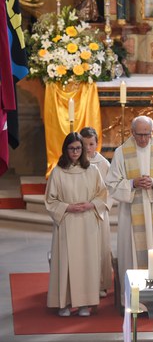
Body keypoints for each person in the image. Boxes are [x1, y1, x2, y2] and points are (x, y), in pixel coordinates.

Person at [105, 116, 153, 303]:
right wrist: (132, 183)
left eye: (147, 134)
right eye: (140, 135)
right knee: (131, 255)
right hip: (130, 214)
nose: (144, 139)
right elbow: (111, 183)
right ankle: (132, 301)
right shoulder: (122, 153)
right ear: (132, 132)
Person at [45, 132, 107, 317]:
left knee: (86, 263)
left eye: (79, 148)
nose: (75, 152)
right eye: (72, 148)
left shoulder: (92, 171)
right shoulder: (58, 171)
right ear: (65, 149)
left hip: (87, 222)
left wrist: (91, 205)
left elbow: (103, 194)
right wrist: (68, 207)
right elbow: (50, 200)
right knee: (66, 262)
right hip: (67, 222)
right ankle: (64, 303)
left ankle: (84, 304)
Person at [80, 127, 113, 298]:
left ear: (97, 144)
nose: (87, 148)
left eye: (91, 144)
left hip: (99, 212)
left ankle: (101, 283)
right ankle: (82, 282)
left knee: (100, 248)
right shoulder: (74, 163)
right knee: (83, 248)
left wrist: (96, 205)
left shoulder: (104, 164)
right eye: (84, 144)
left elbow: (110, 190)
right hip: (80, 212)